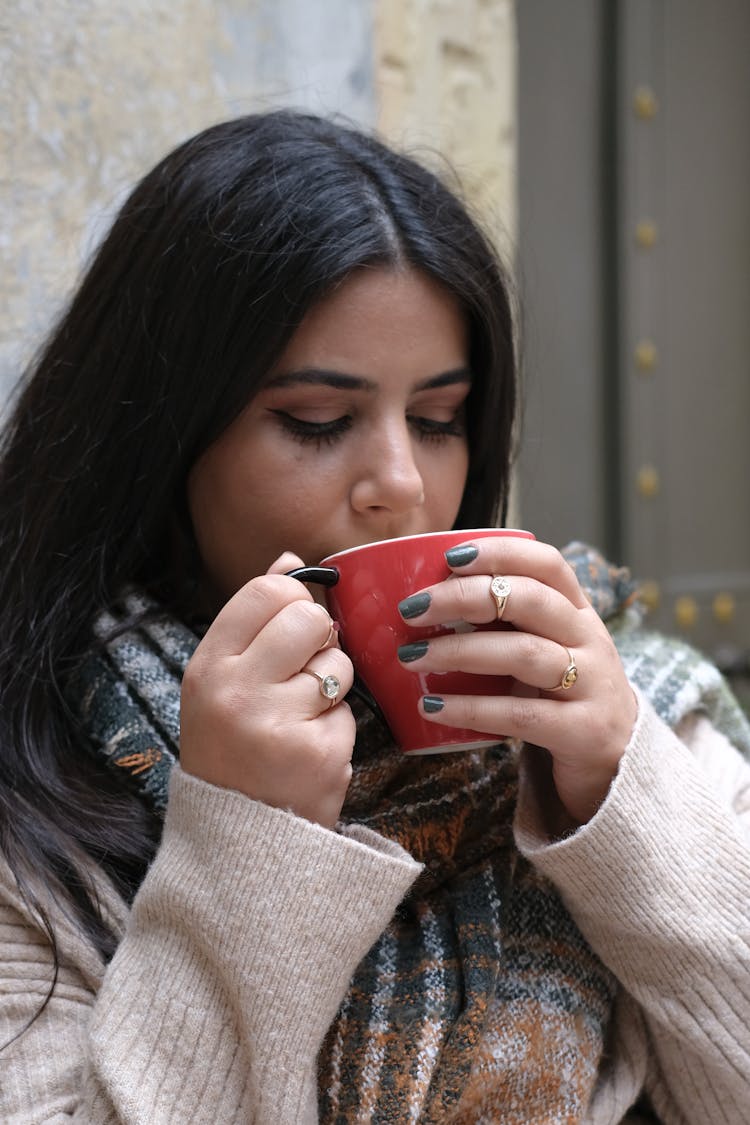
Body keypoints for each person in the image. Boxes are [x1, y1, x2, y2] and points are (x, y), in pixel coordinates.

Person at [0, 110, 749, 1125]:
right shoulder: (36, 800)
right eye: (318, 422)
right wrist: (244, 841)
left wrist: (626, 798)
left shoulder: (638, 718)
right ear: (163, 440)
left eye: (440, 420)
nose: (399, 484)